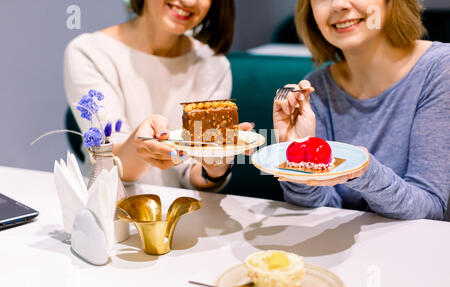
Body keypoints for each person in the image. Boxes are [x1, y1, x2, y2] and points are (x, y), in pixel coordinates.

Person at [273, 0, 450, 220]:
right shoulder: (316, 87)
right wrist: (298, 160)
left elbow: (431, 209)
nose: (338, 5)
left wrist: (361, 170)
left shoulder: (441, 69)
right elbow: (322, 209)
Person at [64, 0, 252, 191]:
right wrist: (141, 144)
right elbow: (112, 164)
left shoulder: (214, 66)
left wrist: (216, 166)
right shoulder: (89, 53)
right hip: (111, 208)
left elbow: (194, 174)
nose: (189, 2)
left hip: (184, 213)